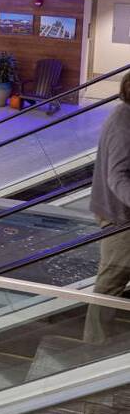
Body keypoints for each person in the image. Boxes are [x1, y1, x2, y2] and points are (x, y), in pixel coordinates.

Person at [84, 73, 130, 344]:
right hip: (120, 219)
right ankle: (94, 347)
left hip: (119, 214)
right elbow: (118, 177)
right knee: (110, 282)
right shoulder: (124, 123)